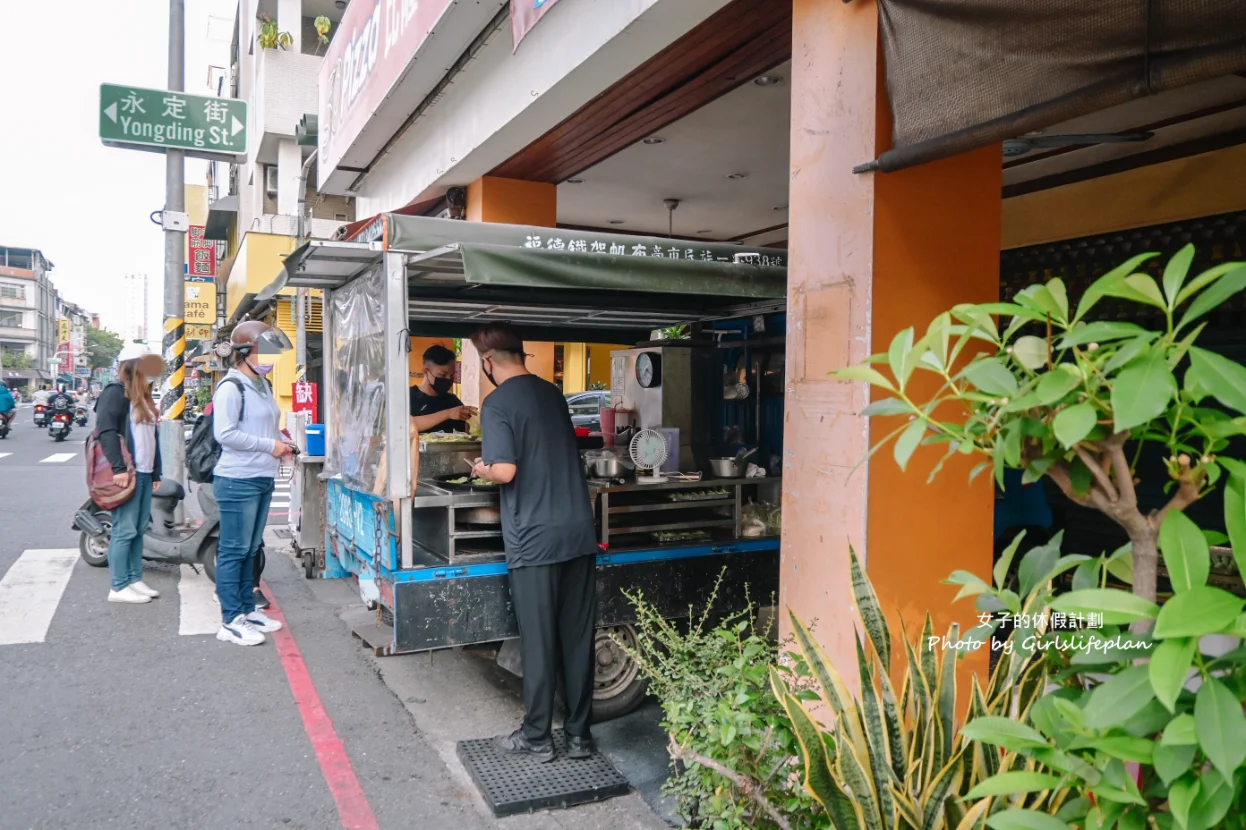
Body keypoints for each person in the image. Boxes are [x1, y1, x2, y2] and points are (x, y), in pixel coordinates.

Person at [469, 322, 598, 762]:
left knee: (540, 640)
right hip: (578, 531)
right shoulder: (553, 394)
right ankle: (580, 736)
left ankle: (538, 736)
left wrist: (481, 468)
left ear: (487, 362)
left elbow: (505, 470)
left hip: (535, 537)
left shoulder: (497, 402)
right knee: (577, 637)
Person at [212, 320, 294, 646]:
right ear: (244, 352)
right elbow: (226, 434)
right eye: (265, 352)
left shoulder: (263, 385)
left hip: (262, 476)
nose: (270, 359)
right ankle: (230, 620)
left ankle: (248, 609)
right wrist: (270, 445)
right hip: (237, 479)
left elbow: (268, 428)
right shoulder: (232, 387)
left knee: (250, 549)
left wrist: (283, 442)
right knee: (233, 550)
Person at [95, 343, 165, 604]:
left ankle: (135, 578)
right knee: (124, 530)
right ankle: (118, 585)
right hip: (129, 473)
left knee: (138, 529)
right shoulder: (115, 393)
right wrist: (119, 469)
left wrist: (156, 472)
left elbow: (151, 438)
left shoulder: (143, 398)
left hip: (145, 474)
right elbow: (107, 431)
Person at [410, 344, 476, 433]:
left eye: (452, 375)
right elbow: (407, 425)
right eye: (442, 375)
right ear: (426, 371)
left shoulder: (452, 401)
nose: (448, 379)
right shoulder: (409, 397)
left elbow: (468, 430)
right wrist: (448, 414)